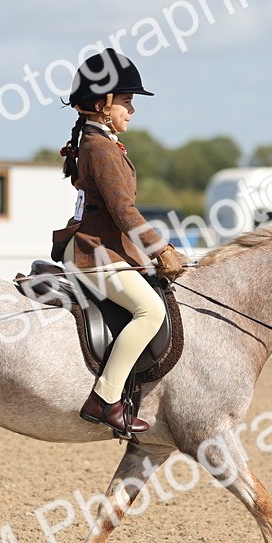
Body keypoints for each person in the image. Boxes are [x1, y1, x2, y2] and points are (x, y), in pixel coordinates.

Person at [50, 49, 185, 435]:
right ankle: (105, 398)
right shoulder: (102, 149)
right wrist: (162, 249)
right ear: (102, 104)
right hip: (95, 254)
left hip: (102, 249)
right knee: (151, 312)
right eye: (126, 102)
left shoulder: (97, 143)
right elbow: (124, 212)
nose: (132, 110)